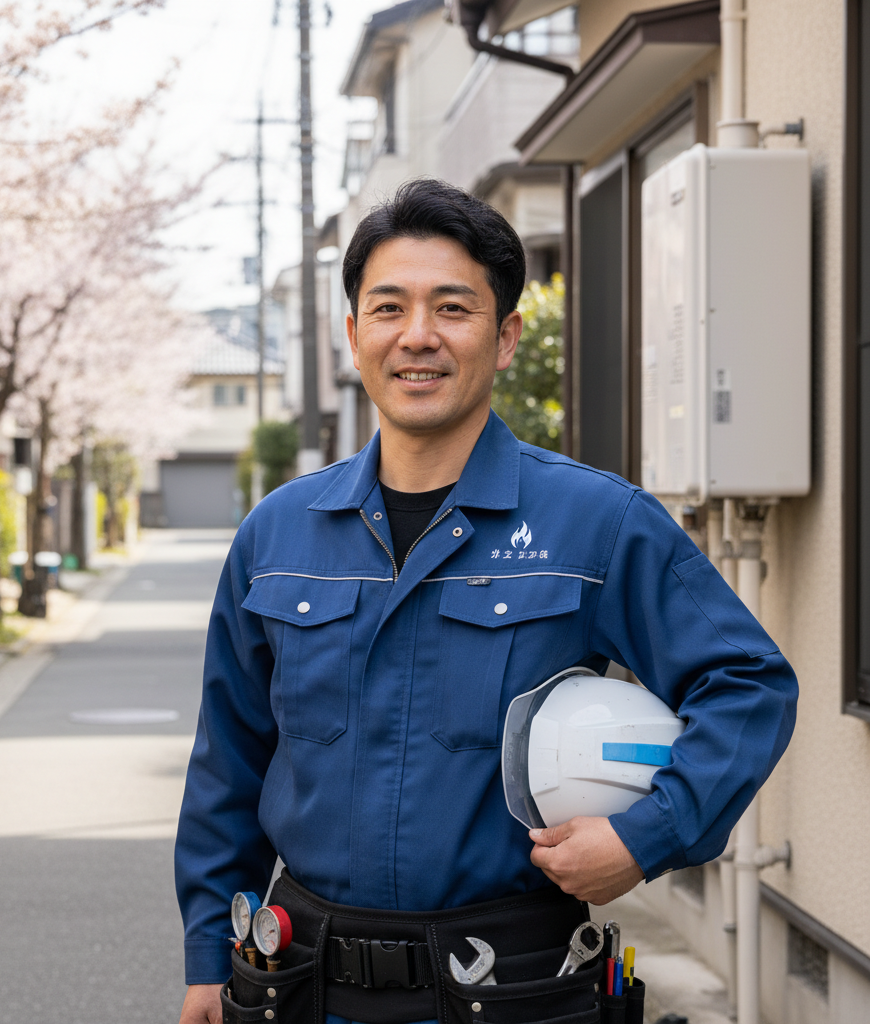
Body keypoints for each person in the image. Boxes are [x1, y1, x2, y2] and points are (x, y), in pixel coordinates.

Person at [175, 179, 798, 1024]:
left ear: (504, 338)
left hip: (515, 986)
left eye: (453, 309)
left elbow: (747, 683)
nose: (418, 337)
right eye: (388, 308)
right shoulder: (276, 535)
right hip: (302, 983)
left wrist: (642, 839)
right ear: (354, 336)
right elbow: (229, 763)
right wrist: (212, 956)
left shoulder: (596, 522)